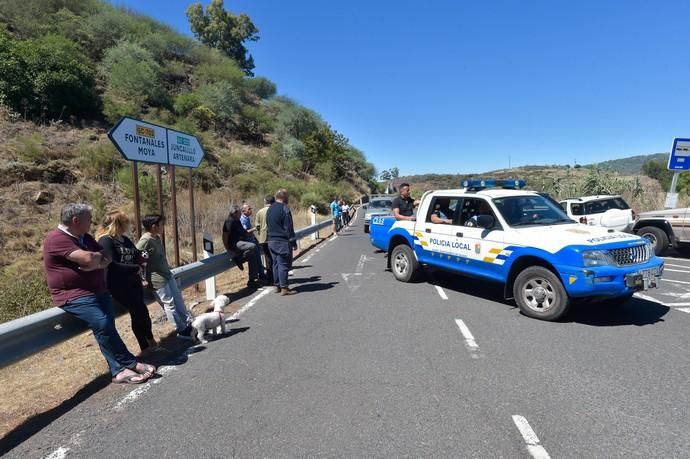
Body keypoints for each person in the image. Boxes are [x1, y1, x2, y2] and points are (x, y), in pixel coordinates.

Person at [43, 203, 156, 384]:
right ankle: (130, 363)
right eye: (89, 219)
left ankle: (118, 371)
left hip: (98, 291)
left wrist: (96, 261)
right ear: (75, 220)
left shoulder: (85, 237)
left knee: (105, 330)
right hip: (75, 296)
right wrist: (96, 259)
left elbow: (107, 257)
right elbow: (90, 257)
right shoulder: (57, 239)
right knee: (103, 325)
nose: (92, 223)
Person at [96, 211, 159, 353]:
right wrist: (135, 268)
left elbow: (136, 253)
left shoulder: (124, 239)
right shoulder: (105, 240)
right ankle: (145, 346)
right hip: (118, 284)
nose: (128, 224)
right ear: (118, 223)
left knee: (143, 310)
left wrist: (142, 257)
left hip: (133, 281)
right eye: (125, 221)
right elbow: (112, 264)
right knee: (136, 310)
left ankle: (150, 340)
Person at [136, 214, 193, 339]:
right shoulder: (145, 240)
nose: (163, 227)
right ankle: (181, 329)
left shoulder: (156, 238)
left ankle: (188, 323)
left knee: (178, 299)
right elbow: (136, 258)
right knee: (169, 304)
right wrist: (141, 278)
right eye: (161, 225)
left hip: (167, 274)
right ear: (153, 226)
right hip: (157, 278)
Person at [222, 205, 262, 288]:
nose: (241, 214)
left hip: (241, 242)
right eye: (239, 213)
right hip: (234, 243)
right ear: (235, 213)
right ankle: (239, 259)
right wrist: (227, 248)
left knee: (253, 255)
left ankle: (252, 280)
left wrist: (254, 229)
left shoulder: (237, 221)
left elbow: (245, 232)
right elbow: (225, 235)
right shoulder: (229, 221)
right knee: (252, 246)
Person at [267, 189, 297, 296]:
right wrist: (293, 242)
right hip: (281, 241)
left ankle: (277, 285)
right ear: (284, 197)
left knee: (275, 264)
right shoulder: (284, 209)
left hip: (270, 240)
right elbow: (288, 227)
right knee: (283, 264)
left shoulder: (270, 209)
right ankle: (284, 288)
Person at [240, 203, 266, 281]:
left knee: (258, 259)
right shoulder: (243, 220)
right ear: (243, 211)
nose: (250, 210)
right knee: (256, 259)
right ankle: (260, 276)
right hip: (249, 243)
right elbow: (245, 232)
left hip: (252, 241)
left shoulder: (247, 218)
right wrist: (255, 228)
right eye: (249, 209)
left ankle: (261, 274)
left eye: (250, 208)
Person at [254, 195, 275, 285]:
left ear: (265, 201)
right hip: (274, 237)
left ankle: (270, 279)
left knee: (268, 259)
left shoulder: (260, 212)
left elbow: (257, 226)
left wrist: (260, 233)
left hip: (264, 238)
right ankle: (277, 278)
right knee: (275, 258)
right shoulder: (275, 211)